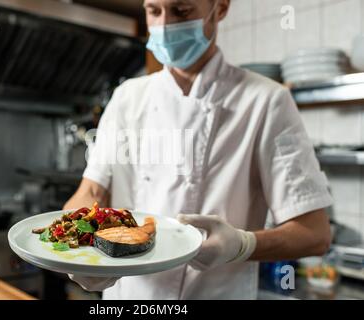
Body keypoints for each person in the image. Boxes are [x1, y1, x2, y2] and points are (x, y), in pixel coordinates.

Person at [63, 0, 333, 299]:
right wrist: (78, 247)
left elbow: (315, 234)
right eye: (154, 11)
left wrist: (242, 245)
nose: (164, 26)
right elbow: (91, 192)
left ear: (220, 8)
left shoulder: (266, 101)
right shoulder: (127, 98)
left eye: (181, 11)